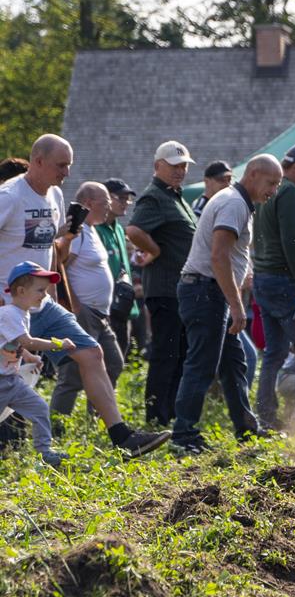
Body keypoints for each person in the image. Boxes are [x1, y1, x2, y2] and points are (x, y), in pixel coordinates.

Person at [0, 135, 169, 455]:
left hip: (43, 305)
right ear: (38, 161)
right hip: (7, 307)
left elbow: (50, 250)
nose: (67, 172)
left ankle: (123, 438)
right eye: (60, 165)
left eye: (69, 165)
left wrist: (57, 291)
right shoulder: (9, 196)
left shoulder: (55, 195)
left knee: (91, 353)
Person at [171, 155, 281, 455]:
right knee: (202, 365)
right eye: (271, 183)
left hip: (210, 291)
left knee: (234, 364)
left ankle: (246, 428)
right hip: (205, 292)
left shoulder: (237, 201)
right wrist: (236, 305)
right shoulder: (234, 203)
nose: (273, 191)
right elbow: (218, 256)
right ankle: (183, 435)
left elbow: (228, 256)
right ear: (253, 174)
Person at [127, 140, 199, 427]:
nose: (180, 171)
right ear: (158, 166)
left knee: (179, 354)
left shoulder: (174, 195)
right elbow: (134, 230)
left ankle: (169, 415)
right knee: (166, 354)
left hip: (179, 290)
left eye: (183, 166)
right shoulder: (154, 196)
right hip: (165, 289)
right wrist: (155, 250)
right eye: (174, 166)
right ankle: (157, 417)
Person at [251, 143, 295, 430]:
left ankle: (266, 416)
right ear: (294, 167)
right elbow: (293, 240)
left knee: (275, 352)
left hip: (263, 279)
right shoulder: (290, 192)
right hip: (284, 280)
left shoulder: (266, 192)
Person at [52, 182, 125, 417]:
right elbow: (61, 266)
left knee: (113, 363)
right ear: (89, 203)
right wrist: (75, 305)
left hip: (99, 315)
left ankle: (99, 418)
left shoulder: (92, 230)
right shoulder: (79, 232)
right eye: (105, 203)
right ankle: (57, 426)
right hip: (84, 313)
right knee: (73, 374)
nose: (109, 207)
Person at [1, 263, 68, 467]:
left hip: (12, 381)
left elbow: (14, 343)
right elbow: (27, 341)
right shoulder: (9, 313)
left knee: (39, 408)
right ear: (21, 291)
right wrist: (58, 344)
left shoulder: (22, 314)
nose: (44, 295)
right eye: (40, 290)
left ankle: (44, 452)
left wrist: (29, 357)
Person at [99, 178, 139, 359]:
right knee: (110, 362)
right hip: (106, 309)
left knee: (119, 360)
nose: (126, 203)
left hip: (123, 307)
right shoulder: (95, 229)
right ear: (106, 198)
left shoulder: (119, 230)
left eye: (127, 199)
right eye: (121, 198)